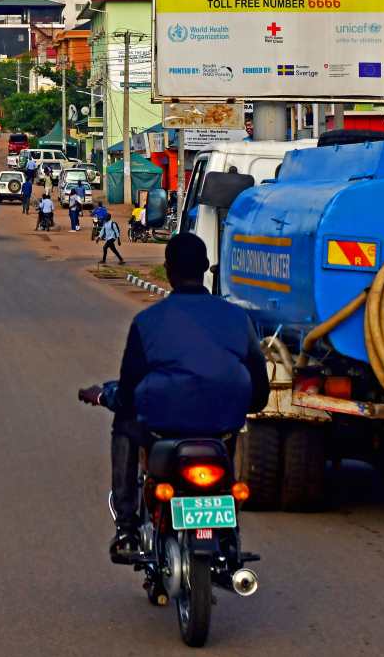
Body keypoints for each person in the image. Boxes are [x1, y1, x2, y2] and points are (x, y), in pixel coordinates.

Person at [82, 233, 270, 560]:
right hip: (220, 426)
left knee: (125, 423)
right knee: (227, 434)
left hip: (163, 424)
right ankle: (228, 532)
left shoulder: (147, 322)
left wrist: (104, 396)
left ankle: (126, 525)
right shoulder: (239, 319)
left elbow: (127, 392)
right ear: (205, 269)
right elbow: (259, 391)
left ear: (168, 271)